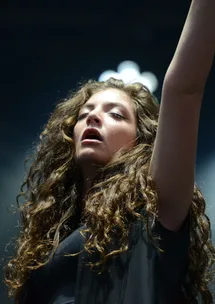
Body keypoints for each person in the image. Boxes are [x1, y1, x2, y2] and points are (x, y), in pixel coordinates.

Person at [4, 0, 215, 303]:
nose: (92, 117)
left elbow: (184, 89)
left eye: (115, 114)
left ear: (142, 142)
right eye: (84, 113)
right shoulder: (48, 240)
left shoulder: (154, 211)